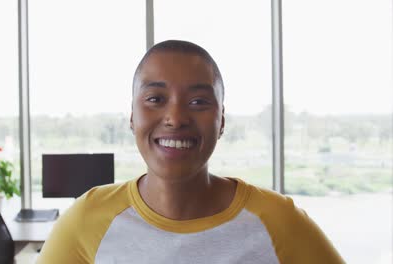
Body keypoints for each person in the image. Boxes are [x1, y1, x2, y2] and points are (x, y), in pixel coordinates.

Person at [37, 40, 344, 263]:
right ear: (132, 116)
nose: (176, 118)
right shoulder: (86, 220)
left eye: (198, 102)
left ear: (221, 121)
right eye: (156, 99)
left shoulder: (278, 221)